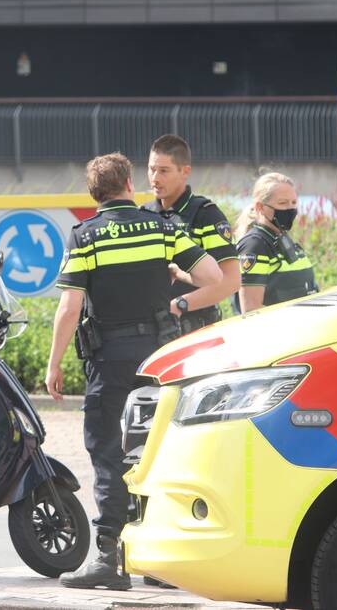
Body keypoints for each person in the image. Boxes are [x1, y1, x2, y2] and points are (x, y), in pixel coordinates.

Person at [44, 152, 222, 590]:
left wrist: (53, 364)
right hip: (161, 360)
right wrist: (177, 301)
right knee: (158, 449)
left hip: (109, 362)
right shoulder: (164, 229)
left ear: (94, 193)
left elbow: (69, 309)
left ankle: (109, 559)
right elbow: (215, 277)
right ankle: (162, 559)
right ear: (128, 184)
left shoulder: (84, 237)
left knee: (108, 453)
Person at [143, 134, 240, 334]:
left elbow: (231, 280)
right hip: (149, 331)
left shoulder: (205, 214)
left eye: (164, 171)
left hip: (195, 330)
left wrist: (180, 305)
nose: (155, 178)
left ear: (185, 171)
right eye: (152, 169)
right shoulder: (143, 214)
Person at [235, 172, 319, 313]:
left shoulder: (283, 239)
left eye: (293, 202)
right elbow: (251, 310)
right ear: (260, 207)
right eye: (282, 203)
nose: (290, 209)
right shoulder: (255, 246)